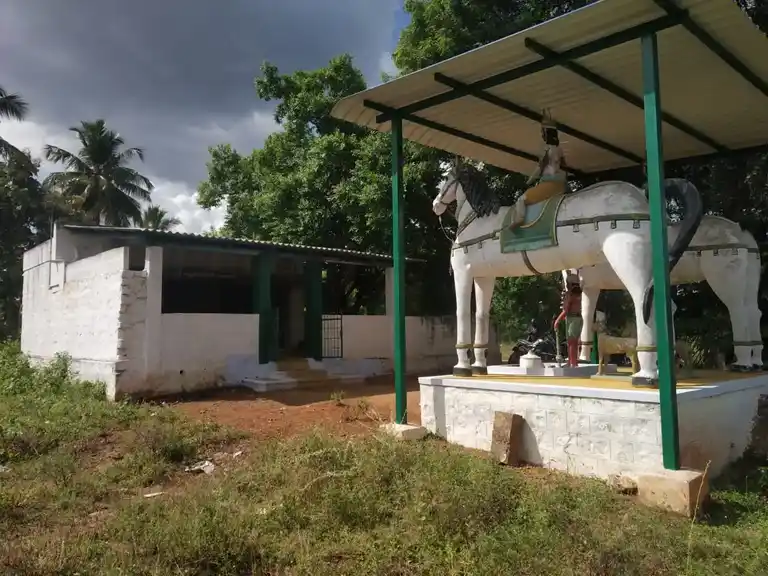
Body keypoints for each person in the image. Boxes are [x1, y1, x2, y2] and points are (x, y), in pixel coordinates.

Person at [508, 116, 567, 230]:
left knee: (522, 199)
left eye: (543, 132)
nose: (542, 135)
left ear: (546, 133)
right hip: (560, 185)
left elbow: (539, 168)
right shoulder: (559, 149)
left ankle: (519, 219)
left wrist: (529, 181)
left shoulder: (547, 150)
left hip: (549, 185)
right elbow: (564, 167)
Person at [554, 273, 583, 367]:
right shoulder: (579, 294)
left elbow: (566, 310)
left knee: (571, 343)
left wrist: (557, 320)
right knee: (574, 342)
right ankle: (573, 362)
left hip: (572, 319)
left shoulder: (570, 295)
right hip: (579, 318)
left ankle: (572, 363)